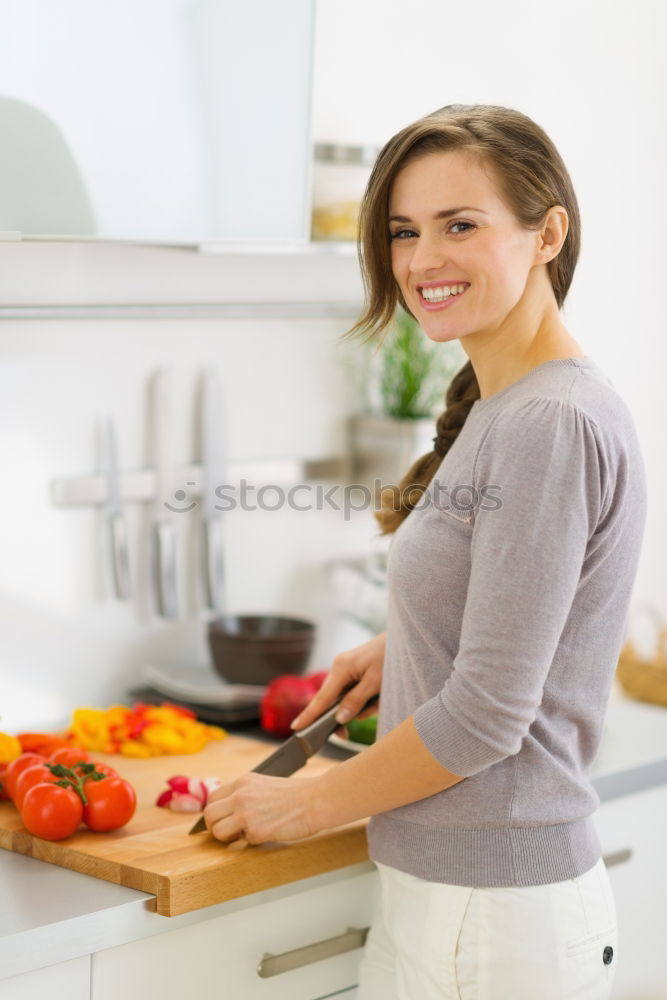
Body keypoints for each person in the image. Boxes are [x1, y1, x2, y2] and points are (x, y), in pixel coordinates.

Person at [203, 104, 647, 999]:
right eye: (403, 232)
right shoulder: (513, 407)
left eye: (460, 225)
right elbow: (517, 623)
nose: (420, 261)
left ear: (546, 232)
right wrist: (408, 643)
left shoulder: (545, 423)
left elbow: (487, 714)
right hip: (458, 904)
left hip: (492, 918)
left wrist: (305, 803)